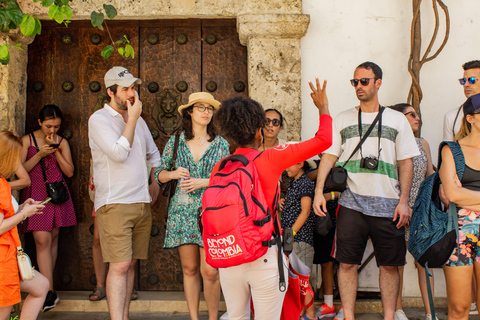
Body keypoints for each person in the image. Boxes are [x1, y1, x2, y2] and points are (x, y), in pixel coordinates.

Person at [211, 90, 331, 320]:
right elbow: (324, 140)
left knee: (237, 317)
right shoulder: (270, 158)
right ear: (259, 131)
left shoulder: (221, 166)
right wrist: (323, 107)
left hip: (230, 256)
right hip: (263, 255)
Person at [312, 62, 419, 320]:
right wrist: (318, 191)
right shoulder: (344, 118)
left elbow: (406, 162)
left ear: (378, 82)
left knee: (390, 266)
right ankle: (348, 316)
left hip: (388, 204)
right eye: (355, 82)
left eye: (364, 81)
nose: (358, 86)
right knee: (347, 264)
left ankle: (389, 316)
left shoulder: (396, 119)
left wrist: (404, 201)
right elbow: (329, 157)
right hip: (352, 203)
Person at [88, 66, 161, 320]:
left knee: (130, 264)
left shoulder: (138, 119)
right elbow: (119, 154)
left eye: (134, 87)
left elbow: (154, 154)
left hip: (141, 202)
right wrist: (131, 119)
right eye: (126, 89)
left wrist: (155, 182)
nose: (132, 93)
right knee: (119, 265)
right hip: (115, 202)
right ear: (110, 92)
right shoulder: (99, 120)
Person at [155, 92, 229, 320]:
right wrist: (173, 173)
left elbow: (229, 179)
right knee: (189, 269)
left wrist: (204, 181)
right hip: (182, 212)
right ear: (190, 112)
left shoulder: (221, 144)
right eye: (201, 108)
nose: (206, 112)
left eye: (209, 108)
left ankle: (213, 317)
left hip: (211, 212)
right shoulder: (175, 141)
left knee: (210, 271)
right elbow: (159, 175)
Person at [20, 104, 76, 312]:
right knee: (42, 241)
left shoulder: (62, 142)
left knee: (52, 240)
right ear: (39, 123)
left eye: (57, 126)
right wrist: (39, 155)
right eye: (48, 126)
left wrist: (56, 152)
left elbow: (69, 172)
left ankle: (48, 290)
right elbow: (20, 170)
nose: (52, 131)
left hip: (56, 195)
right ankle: (49, 291)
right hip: (36, 195)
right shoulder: (27, 141)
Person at [388, 104, 435, 320]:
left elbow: (429, 175)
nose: (418, 118)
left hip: (421, 209)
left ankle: (429, 312)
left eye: (417, 114)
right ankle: (397, 310)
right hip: (398, 208)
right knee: (397, 261)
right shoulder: (391, 144)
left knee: (423, 261)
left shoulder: (422, 143)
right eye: (412, 114)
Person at [443, 60, 480, 315]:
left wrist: (468, 197)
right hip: (459, 233)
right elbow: (452, 194)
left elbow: (460, 193)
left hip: (466, 218)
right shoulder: (452, 149)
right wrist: (461, 196)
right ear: (471, 118)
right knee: (459, 307)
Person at [0, 130, 50, 320]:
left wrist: (22, 207)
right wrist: (23, 214)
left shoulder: (3, 183)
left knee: (41, 286)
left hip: (8, 257)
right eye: (15, 156)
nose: (17, 161)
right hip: (2, 259)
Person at [283, 158, 318, 320]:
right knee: (297, 280)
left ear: (300, 164)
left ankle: (311, 315)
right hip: (293, 239)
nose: (286, 168)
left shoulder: (304, 183)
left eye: (289, 163)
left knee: (303, 281)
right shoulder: (293, 183)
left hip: (300, 240)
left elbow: (305, 212)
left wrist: (290, 236)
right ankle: (302, 313)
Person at [443, 60, 480, 141]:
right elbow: (449, 150)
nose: (466, 84)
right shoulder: (451, 116)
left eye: (472, 80)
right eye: (463, 81)